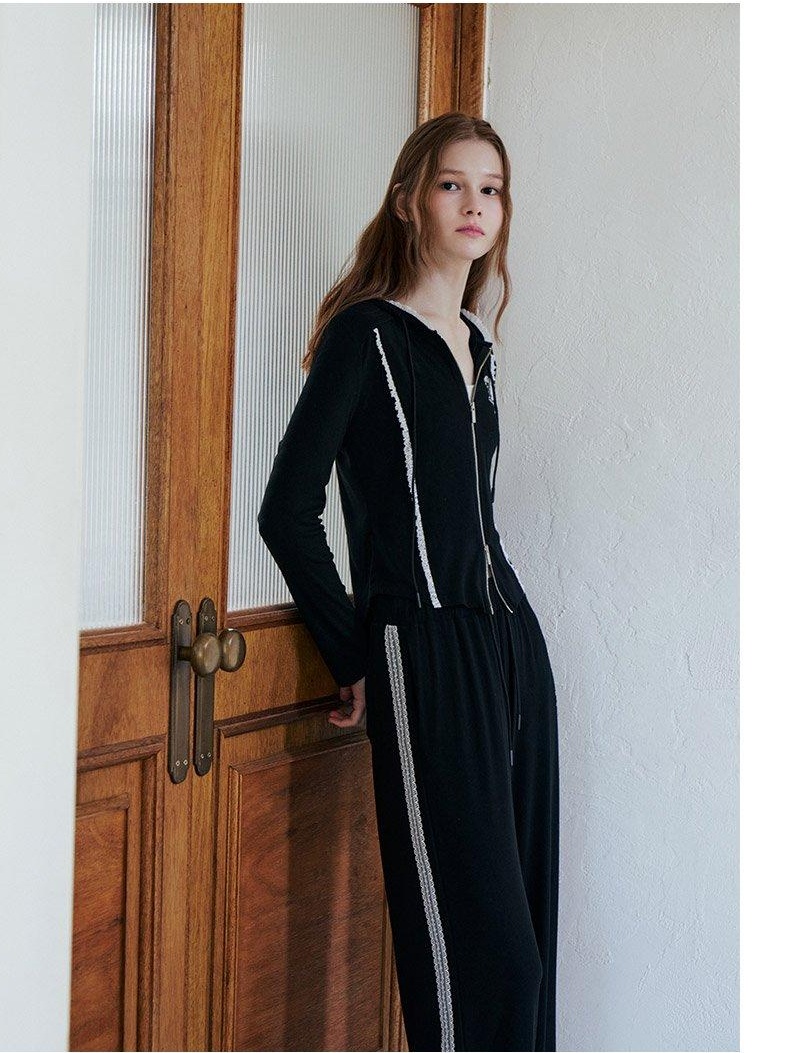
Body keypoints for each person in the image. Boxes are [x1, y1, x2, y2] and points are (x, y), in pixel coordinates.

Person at [258, 111, 559, 1053]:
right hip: (424, 655)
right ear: (408, 201)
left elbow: (475, 519)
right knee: (484, 962)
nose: (475, 204)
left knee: (531, 948)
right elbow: (287, 509)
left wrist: (512, 650)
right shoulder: (366, 337)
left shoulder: (476, 344)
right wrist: (353, 652)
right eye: (451, 184)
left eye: (491, 188)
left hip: (512, 651)